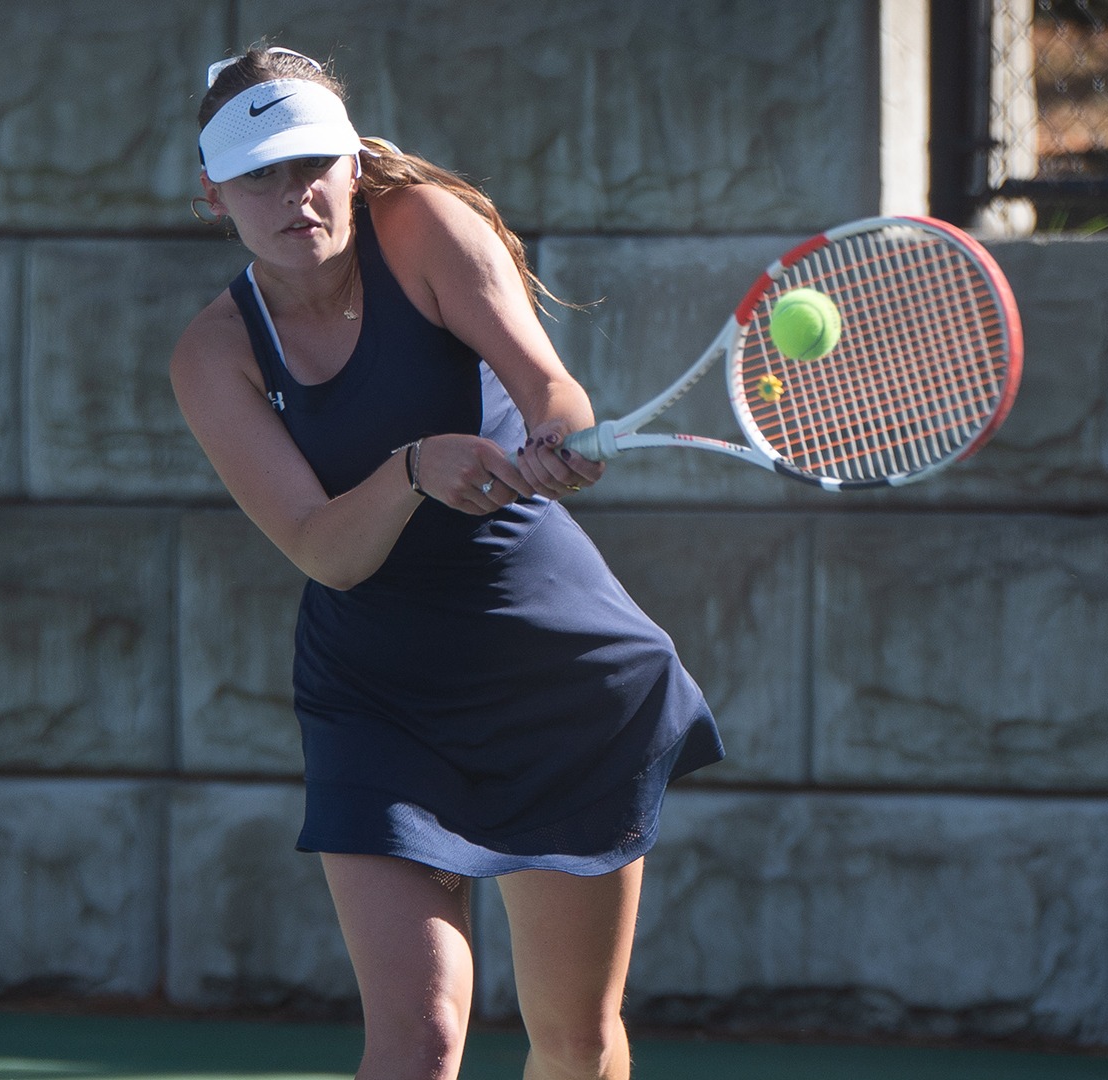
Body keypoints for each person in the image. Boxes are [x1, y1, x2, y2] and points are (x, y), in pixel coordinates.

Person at [169, 44, 723, 1080]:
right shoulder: (214, 355)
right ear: (214, 197)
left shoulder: (423, 229)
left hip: (552, 670)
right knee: (416, 1043)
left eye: (312, 165)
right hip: (375, 690)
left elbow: (553, 393)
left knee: (577, 1038)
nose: (294, 195)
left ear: (350, 165)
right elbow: (324, 550)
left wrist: (554, 443)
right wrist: (414, 469)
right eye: (259, 178)